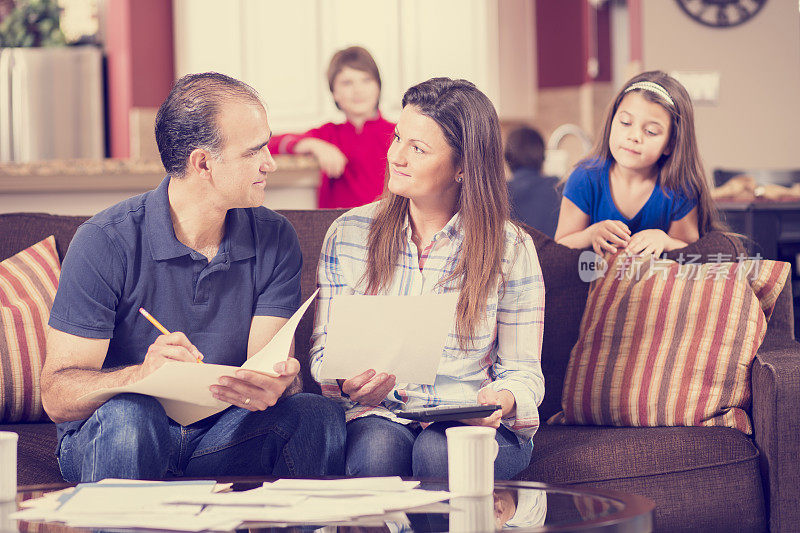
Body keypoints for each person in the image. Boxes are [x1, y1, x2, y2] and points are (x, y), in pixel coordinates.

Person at [40, 72, 346, 482]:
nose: (270, 163)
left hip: (222, 435)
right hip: (116, 435)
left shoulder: (275, 237)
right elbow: (57, 395)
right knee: (134, 414)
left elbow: (266, 365)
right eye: (254, 151)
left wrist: (278, 384)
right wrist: (141, 376)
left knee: (316, 415)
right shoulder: (104, 242)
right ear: (203, 163)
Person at [309, 77, 545, 479]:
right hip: (380, 413)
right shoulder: (348, 235)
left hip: (471, 418)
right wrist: (347, 380)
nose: (395, 157)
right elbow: (322, 354)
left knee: (440, 450)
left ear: (462, 168)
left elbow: (523, 372)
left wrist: (498, 400)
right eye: (397, 138)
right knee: (377, 451)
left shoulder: (511, 248)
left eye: (417, 149)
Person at [554, 70, 721, 257]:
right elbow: (561, 244)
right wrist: (590, 235)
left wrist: (664, 241)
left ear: (670, 144)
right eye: (625, 122)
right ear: (611, 122)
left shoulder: (680, 188)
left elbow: (692, 251)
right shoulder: (585, 177)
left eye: (650, 131)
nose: (634, 137)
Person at [268, 46, 395, 209]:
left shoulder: (398, 133)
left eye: (366, 80)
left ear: (378, 86)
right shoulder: (328, 134)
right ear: (334, 92)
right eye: (347, 83)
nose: (358, 90)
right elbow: (270, 144)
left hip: (385, 228)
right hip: (335, 228)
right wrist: (312, 145)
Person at [504, 126, 561, 238]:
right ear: (543, 156)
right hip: (554, 254)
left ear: (507, 157)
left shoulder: (499, 193)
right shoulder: (559, 187)